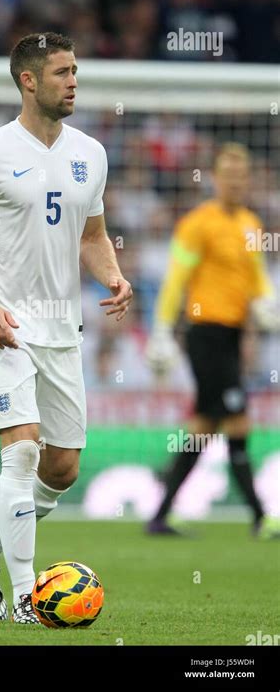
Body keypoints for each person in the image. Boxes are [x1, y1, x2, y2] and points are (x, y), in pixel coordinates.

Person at [0, 32, 132, 623]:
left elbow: (93, 235)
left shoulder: (91, 153)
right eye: (62, 72)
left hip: (62, 330)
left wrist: (114, 276)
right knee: (21, 454)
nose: (74, 81)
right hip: (6, 328)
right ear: (28, 81)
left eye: (75, 70)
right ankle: (26, 596)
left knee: (62, 468)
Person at [146, 143, 279, 539]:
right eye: (229, 176)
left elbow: (257, 281)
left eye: (243, 177)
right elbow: (175, 281)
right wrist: (161, 330)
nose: (236, 183)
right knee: (236, 418)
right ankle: (259, 517)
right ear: (216, 179)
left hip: (234, 334)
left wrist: (265, 305)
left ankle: (161, 511)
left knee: (205, 424)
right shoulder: (197, 224)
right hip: (204, 334)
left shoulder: (252, 225)